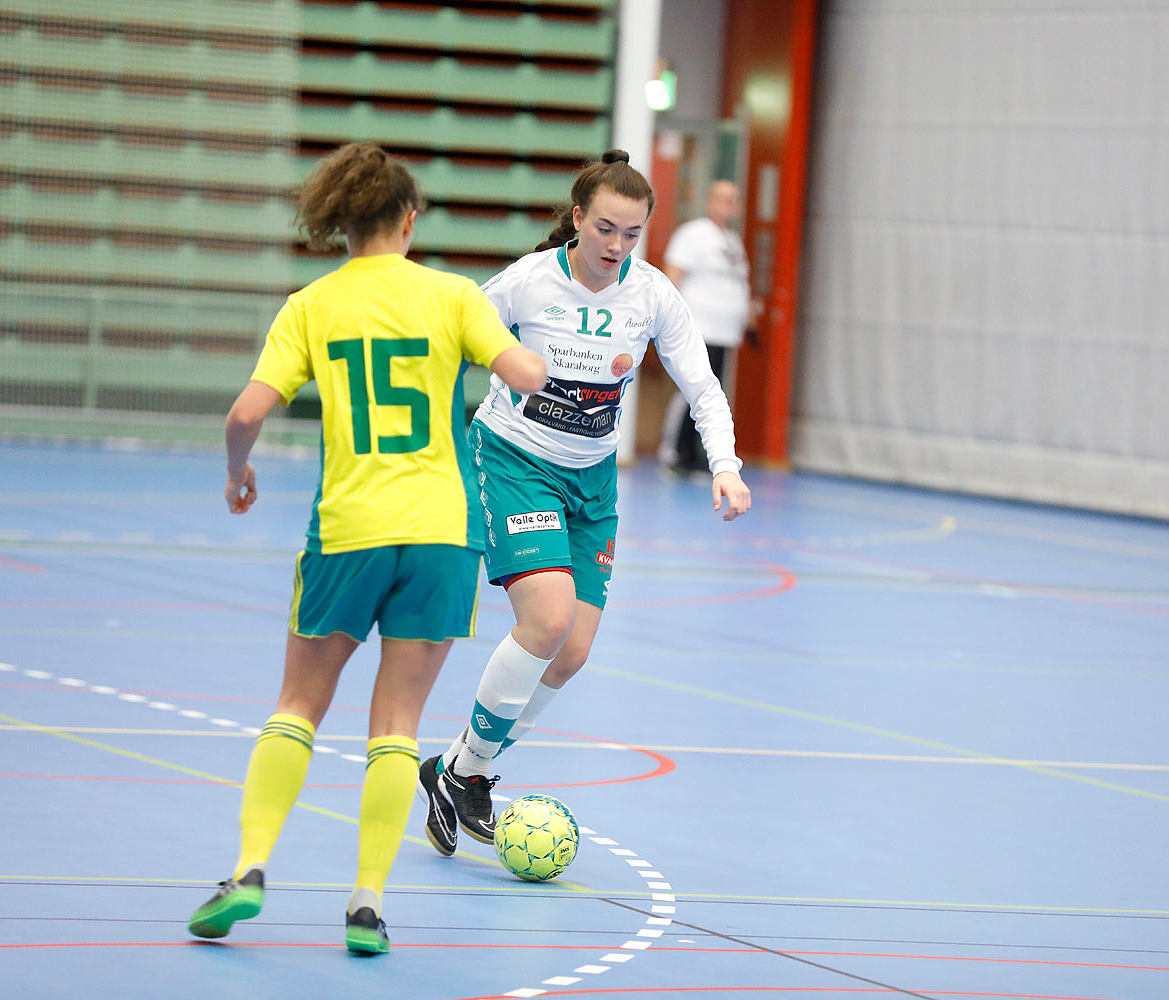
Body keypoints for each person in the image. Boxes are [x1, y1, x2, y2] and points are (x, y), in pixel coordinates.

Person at [185, 142, 545, 953]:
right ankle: (368, 905)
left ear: (340, 223)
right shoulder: (453, 296)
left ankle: (247, 871)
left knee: (298, 707)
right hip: (443, 535)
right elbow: (523, 375)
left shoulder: (311, 306)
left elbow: (244, 415)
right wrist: (540, 352)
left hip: (348, 530)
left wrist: (238, 475)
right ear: (409, 219)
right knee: (397, 727)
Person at [419, 150, 752, 855]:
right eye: (604, 228)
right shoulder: (530, 282)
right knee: (546, 618)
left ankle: (459, 770)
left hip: (591, 482)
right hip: (516, 461)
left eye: (632, 234)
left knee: (571, 653)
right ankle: (463, 771)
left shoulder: (654, 295)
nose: (616, 246)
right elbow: (451, 335)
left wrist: (724, 466)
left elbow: (702, 385)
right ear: (576, 218)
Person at [658, 179, 758, 476]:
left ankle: (696, 453)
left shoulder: (732, 241)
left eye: (733, 199)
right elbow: (673, 275)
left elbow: (738, 284)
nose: (728, 205)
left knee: (713, 393)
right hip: (699, 328)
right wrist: (667, 319)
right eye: (722, 198)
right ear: (709, 201)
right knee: (691, 390)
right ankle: (673, 450)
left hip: (725, 333)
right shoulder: (693, 234)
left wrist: (748, 319)